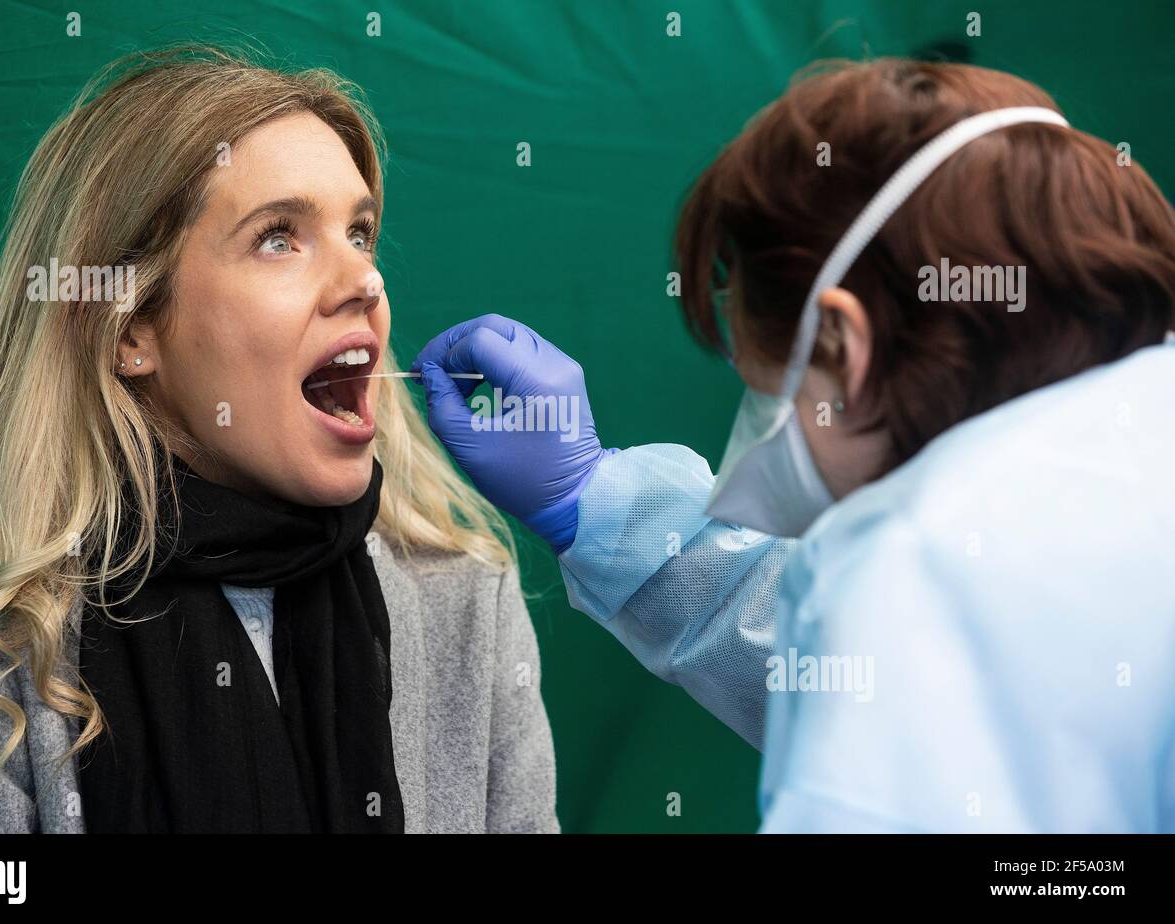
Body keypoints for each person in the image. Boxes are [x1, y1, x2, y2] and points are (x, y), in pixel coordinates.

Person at [412, 59, 1175, 832]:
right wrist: (593, 501)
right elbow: (867, 673)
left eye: (765, 388)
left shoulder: (920, 570)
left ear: (843, 344)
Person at [0, 46, 558, 834]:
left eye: (361, 234)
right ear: (130, 327)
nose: (365, 282)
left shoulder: (467, 601)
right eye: (279, 237)